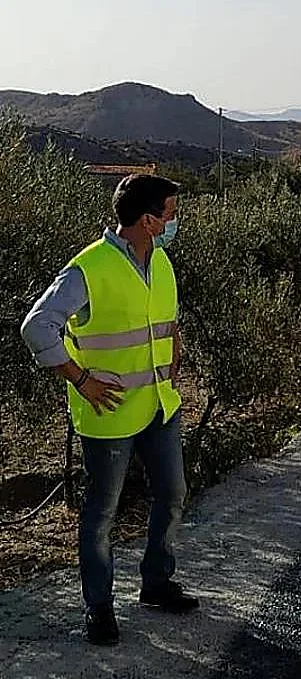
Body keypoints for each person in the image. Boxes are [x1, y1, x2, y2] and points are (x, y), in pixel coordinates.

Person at [20, 174, 197, 646]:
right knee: (102, 513)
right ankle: (99, 608)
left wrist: (175, 346)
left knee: (173, 494)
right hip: (110, 414)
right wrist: (80, 379)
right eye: (171, 212)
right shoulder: (88, 268)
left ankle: (156, 584)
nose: (176, 220)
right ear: (147, 220)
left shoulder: (160, 261)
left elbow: (163, 319)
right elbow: (37, 327)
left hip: (160, 405)